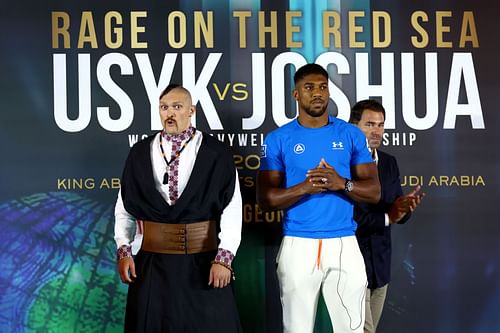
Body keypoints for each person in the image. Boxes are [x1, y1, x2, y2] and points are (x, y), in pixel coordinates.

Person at [257, 63, 381, 333]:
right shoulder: (279, 138)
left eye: (323, 87)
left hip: (344, 244)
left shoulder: (350, 134)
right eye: (309, 87)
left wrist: (341, 183)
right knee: (297, 329)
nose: (317, 93)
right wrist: (305, 187)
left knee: (352, 328)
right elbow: (266, 198)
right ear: (296, 95)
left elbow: (374, 192)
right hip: (297, 244)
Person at [114, 84, 243, 333]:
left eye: (177, 106)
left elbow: (232, 208)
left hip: (203, 261)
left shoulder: (216, 152)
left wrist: (224, 259)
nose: (169, 113)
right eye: (164, 107)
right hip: (152, 263)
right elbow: (124, 207)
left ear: (191, 110)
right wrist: (124, 249)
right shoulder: (139, 152)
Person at [349, 99, 424, 333]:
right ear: (353, 127)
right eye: (369, 124)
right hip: (351, 263)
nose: (377, 131)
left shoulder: (389, 162)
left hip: (381, 266)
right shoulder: (341, 163)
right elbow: (348, 218)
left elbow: (396, 209)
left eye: (381, 125)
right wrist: (388, 217)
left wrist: (404, 210)